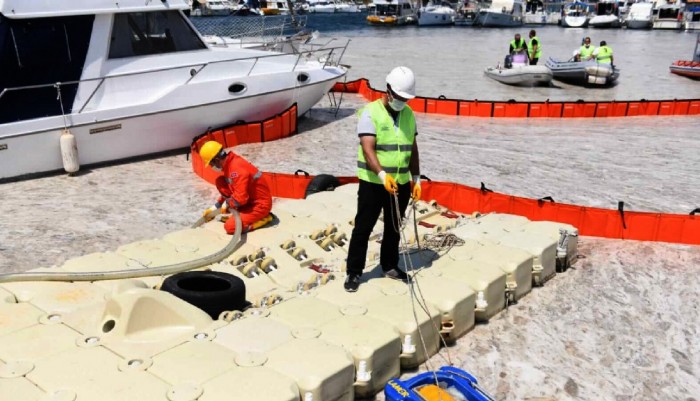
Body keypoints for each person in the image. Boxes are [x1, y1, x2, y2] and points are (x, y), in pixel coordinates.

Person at [344, 66, 422, 293]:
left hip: (399, 183)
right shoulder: (370, 112)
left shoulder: (408, 114)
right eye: (399, 97)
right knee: (363, 227)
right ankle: (354, 272)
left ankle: (389, 265)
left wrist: (416, 179)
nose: (402, 101)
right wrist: (381, 174)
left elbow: (412, 148)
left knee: (394, 227)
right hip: (374, 183)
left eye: (406, 98)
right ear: (388, 90)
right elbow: (368, 149)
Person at [199, 141, 273, 235]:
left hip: (260, 205)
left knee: (230, 227)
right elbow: (232, 189)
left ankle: (264, 219)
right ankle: (241, 214)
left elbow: (241, 198)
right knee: (220, 181)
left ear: (216, 160)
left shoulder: (236, 169)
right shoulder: (229, 164)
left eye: (211, 164)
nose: (212, 167)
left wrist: (227, 205)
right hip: (249, 201)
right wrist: (216, 206)